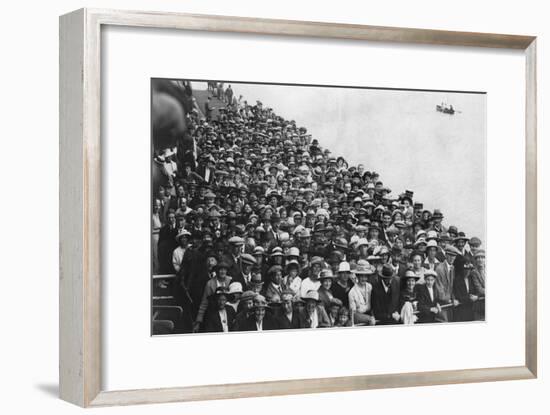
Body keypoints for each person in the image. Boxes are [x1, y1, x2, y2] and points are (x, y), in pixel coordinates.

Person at [194, 260, 232, 332]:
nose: (223, 272)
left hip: (227, 312)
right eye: (220, 270)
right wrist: (198, 321)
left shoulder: (230, 280)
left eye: (224, 270)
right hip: (214, 313)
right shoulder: (210, 284)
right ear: (217, 271)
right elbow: (204, 303)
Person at [434, 245, 461, 322]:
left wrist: (453, 298)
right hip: (442, 304)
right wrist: (449, 300)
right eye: (450, 255)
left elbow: (451, 286)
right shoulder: (439, 268)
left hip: (449, 305)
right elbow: (439, 289)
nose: (452, 258)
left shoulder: (452, 268)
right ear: (446, 255)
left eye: (454, 256)